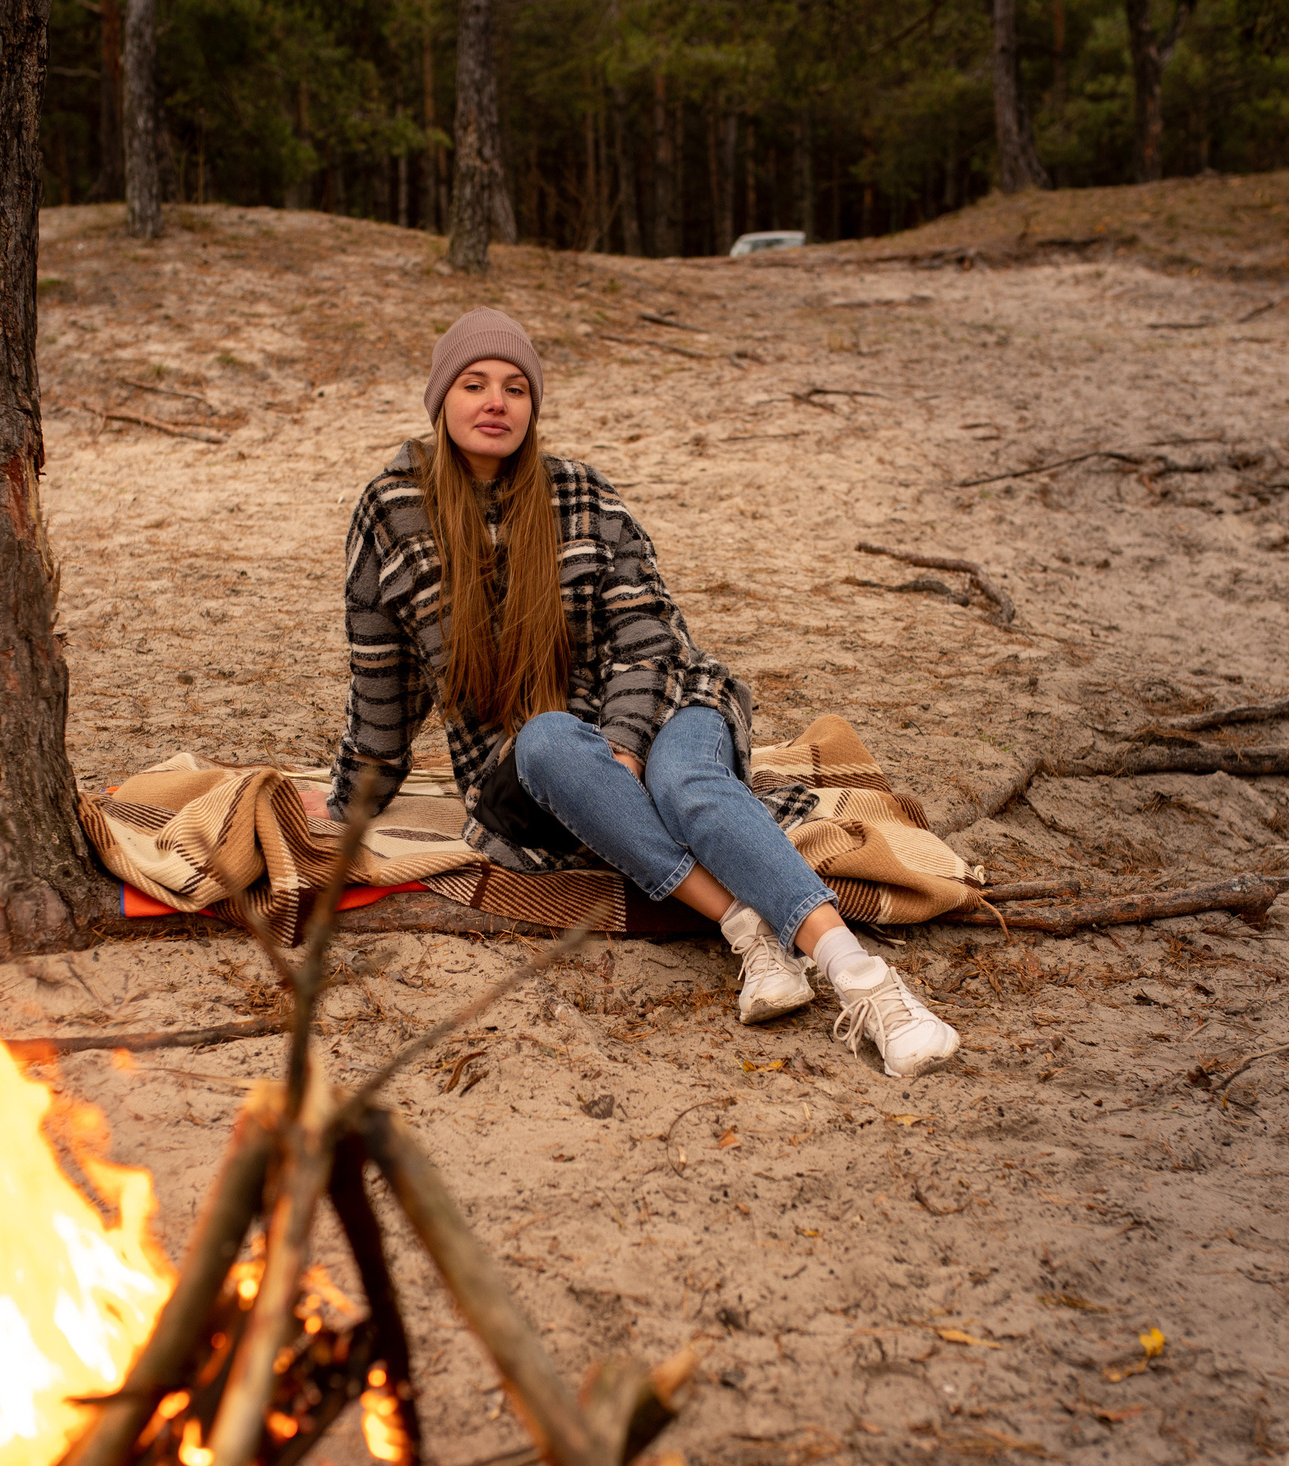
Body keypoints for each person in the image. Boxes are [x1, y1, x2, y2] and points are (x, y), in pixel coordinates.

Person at [326, 309, 958, 1079]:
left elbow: (648, 637)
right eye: (474, 384)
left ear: (533, 407)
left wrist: (625, 742)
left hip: (665, 699)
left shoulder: (582, 495)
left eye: (516, 388)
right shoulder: (393, 511)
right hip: (543, 757)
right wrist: (351, 801)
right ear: (440, 399)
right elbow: (382, 680)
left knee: (684, 783)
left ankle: (865, 981)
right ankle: (746, 925)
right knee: (548, 739)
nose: (496, 402)